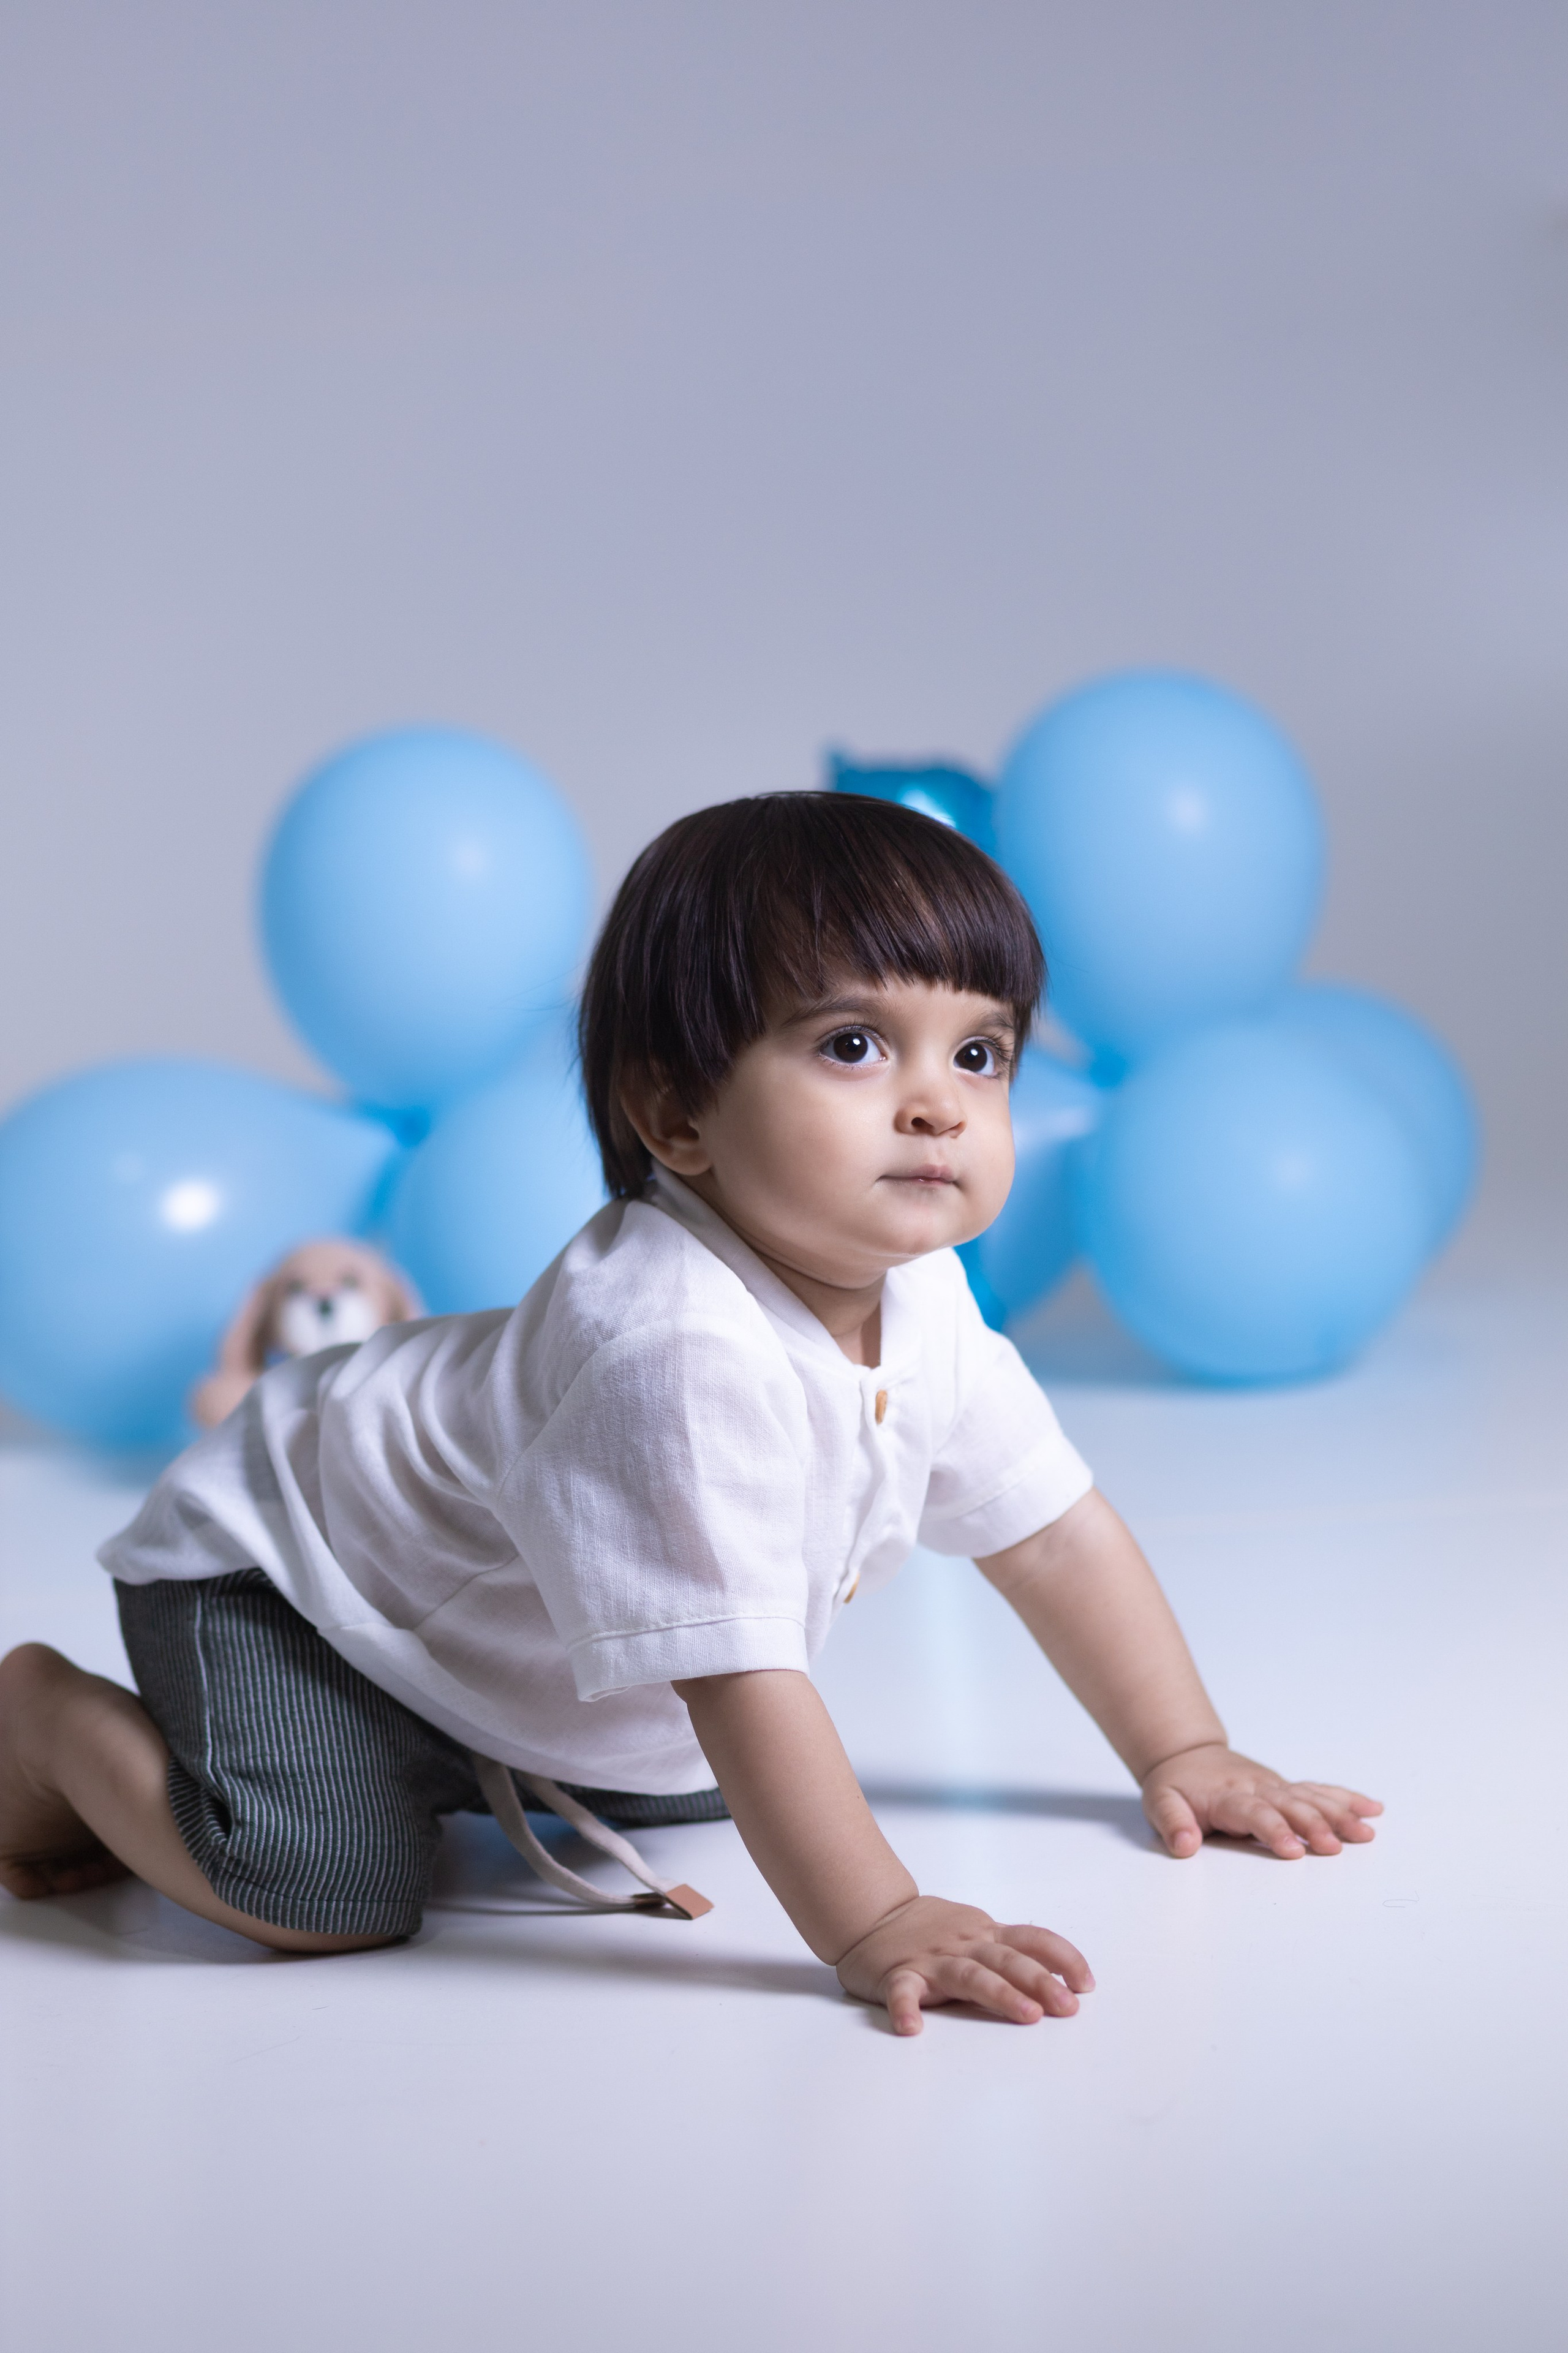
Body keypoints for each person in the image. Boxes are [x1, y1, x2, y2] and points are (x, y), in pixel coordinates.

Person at [0, 794, 1380, 2034]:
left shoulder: (922, 1292)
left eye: (979, 1053)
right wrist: (873, 1917)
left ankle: (431, 1748)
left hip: (462, 1611)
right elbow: (741, 1679)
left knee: (685, 1777)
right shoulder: (661, 1345)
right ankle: (45, 1714)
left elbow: (1055, 1538)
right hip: (286, 1571)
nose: (936, 1107)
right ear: (675, 1113)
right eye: (854, 1044)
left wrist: (1184, 1752)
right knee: (321, 1890)